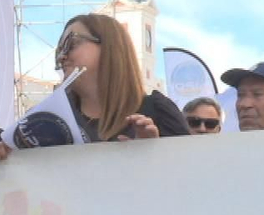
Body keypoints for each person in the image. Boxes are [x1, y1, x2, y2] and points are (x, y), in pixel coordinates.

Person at [54, 13, 190, 141]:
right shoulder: (52, 118)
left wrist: (153, 155)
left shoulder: (157, 112)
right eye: (60, 50)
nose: (62, 56)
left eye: (70, 43)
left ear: (109, 47)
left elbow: (190, 164)